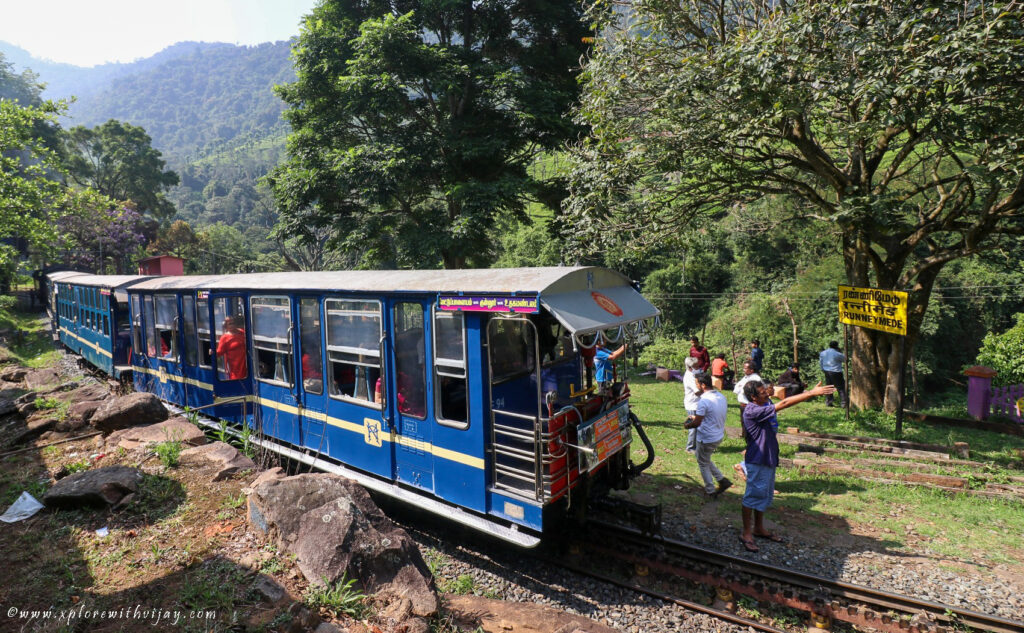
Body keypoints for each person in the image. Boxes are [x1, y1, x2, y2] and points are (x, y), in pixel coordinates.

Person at [739, 379, 834, 552]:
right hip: (758, 459)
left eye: (765, 391)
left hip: (768, 457)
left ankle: (758, 528)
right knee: (752, 495)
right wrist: (811, 394)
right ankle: (746, 533)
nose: (767, 393)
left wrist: (809, 390)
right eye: (762, 392)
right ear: (753, 397)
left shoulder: (763, 403)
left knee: (764, 495)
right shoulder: (752, 410)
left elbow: (777, 397)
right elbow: (784, 403)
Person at [684, 373, 732, 498]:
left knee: (702, 462)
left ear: (703, 385)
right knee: (704, 458)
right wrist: (695, 417)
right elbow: (711, 415)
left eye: (697, 384)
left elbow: (697, 423)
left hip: (707, 437)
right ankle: (722, 480)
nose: (696, 387)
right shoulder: (721, 396)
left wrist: (688, 425)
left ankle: (710, 490)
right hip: (718, 435)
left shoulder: (704, 401)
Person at [216, 315, 248, 380]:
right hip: (236, 369)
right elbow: (219, 352)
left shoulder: (242, 332)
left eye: (233, 323)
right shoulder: (224, 338)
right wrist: (212, 352)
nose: (232, 325)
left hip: (247, 365)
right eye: (230, 324)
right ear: (226, 326)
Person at [819, 340, 848, 408]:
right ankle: (844, 403)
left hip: (827, 371)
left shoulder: (823, 353)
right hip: (836, 372)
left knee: (829, 387)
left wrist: (823, 369)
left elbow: (821, 363)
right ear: (837, 346)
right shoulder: (837, 354)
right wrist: (840, 351)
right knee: (841, 387)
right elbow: (845, 359)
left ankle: (829, 402)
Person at [682, 356, 700, 454]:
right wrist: (707, 391)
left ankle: (696, 445)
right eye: (696, 367)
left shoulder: (693, 374)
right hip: (692, 404)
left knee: (698, 425)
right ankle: (690, 447)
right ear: (690, 367)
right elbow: (697, 392)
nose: (698, 368)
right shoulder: (689, 377)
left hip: (697, 403)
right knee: (693, 426)